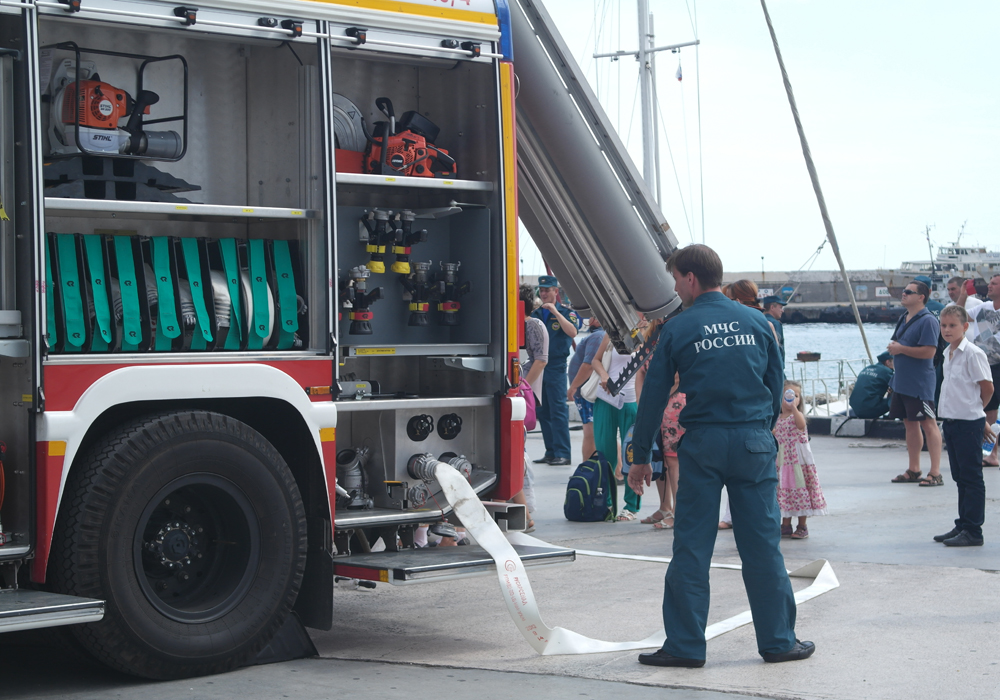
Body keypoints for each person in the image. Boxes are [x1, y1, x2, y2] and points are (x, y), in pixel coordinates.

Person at [628, 244, 813, 668]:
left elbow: (654, 396)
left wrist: (641, 456)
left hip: (704, 443)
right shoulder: (760, 322)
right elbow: (774, 385)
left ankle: (685, 646)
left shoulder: (677, 328)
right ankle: (779, 642)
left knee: (692, 546)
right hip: (752, 441)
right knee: (763, 546)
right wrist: (758, 433)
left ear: (691, 278)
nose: (675, 286)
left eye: (676, 278)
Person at [933, 304, 994, 546]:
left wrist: (977, 413)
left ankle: (973, 531)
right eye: (943, 325)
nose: (947, 330)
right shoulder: (949, 352)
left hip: (968, 422)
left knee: (971, 477)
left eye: (952, 326)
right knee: (960, 477)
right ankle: (963, 523)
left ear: (965, 327)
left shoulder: (973, 353)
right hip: (952, 421)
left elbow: (987, 387)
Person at [888, 281, 943, 486]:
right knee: (909, 423)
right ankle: (914, 469)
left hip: (919, 383)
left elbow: (929, 351)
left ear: (921, 296)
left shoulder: (928, 321)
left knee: (928, 423)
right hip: (902, 381)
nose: (903, 294)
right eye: (903, 291)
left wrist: (901, 349)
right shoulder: (904, 317)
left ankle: (935, 472)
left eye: (908, 292)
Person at [531, 275, 581, 466]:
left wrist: (555, 311)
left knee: (558, 410)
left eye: (547, 290)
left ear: (555, 292)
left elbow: (573, 332)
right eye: (541, 290)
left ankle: (563, 453)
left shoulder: (566, 313)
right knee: (542, 410)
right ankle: (551, 451)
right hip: (538, 365)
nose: (544, 293)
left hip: (556, 366)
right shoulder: (535, 314)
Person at [590, 331, 640, 520]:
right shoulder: (612, 333)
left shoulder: (649, 334)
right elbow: (596, 360)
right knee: (604, 453)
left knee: (631, 455)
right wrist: (604, 375)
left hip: (631, 401)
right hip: (606, 398)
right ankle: (606, 503)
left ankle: (631, 506)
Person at [514, 284, 548, 531]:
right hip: (519, 391)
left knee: (517, 450)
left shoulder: (532, 325)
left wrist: (523, 386)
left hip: (523, 394)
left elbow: (541, 359)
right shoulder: (518, 325)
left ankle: (525, 511)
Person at [775, 380, 827, 539]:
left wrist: (794, 409)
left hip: (798, 461)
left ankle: (802, 525)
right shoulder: (777, 417)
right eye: (787, 395)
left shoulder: (796, 416)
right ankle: (785, 524)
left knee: (800, 489)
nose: (791, 398)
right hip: (783, 461)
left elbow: (800, 425)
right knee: (785, 491)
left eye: (795, 395)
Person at [964, 274, 1000, 466]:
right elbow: (959, 315)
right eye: (990, 283)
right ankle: (990, 453)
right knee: (989, 409)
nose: (989, 286)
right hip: (987, 365)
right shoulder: (983, 307)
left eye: (994, 283)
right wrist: (963, 294)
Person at [567, 316, 606, 463]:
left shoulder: (597, 336)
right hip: (588, 392)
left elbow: (588, 365)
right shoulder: (600, 336)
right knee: (595, 432)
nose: (589, 320)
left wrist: (573, 386)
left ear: (597, 318)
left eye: (591, 316)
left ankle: (588, 470)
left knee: (591, 432)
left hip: (587, 393)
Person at [849, 351, 894, 419]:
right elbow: (900, 387)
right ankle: (895, 418)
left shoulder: (867, 368)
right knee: (898, 396)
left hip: (855, 408)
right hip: (869, 410)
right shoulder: (886, 371)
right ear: (888, 362)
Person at [762, 295, 788, 369]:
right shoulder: (775, 324)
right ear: (772, 307)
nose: (782, 310)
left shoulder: (759, 320)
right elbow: (777, 346)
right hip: (775, 367)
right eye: (780, 307)